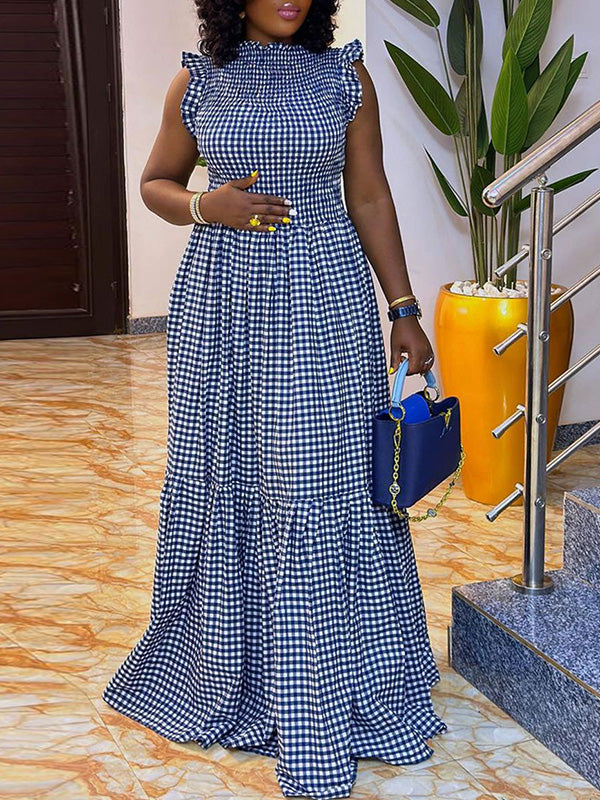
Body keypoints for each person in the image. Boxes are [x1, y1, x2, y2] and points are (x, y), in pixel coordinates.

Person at [102, 1, 446, 797]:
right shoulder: (199, 81)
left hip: (324, 295)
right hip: (222, 302)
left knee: (319, 479)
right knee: (227, 471)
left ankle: (327, 680)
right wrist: (205, 205)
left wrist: (403, 309)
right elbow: (154, 183)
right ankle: (231, 667)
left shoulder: (344, 77)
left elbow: (370, 196)